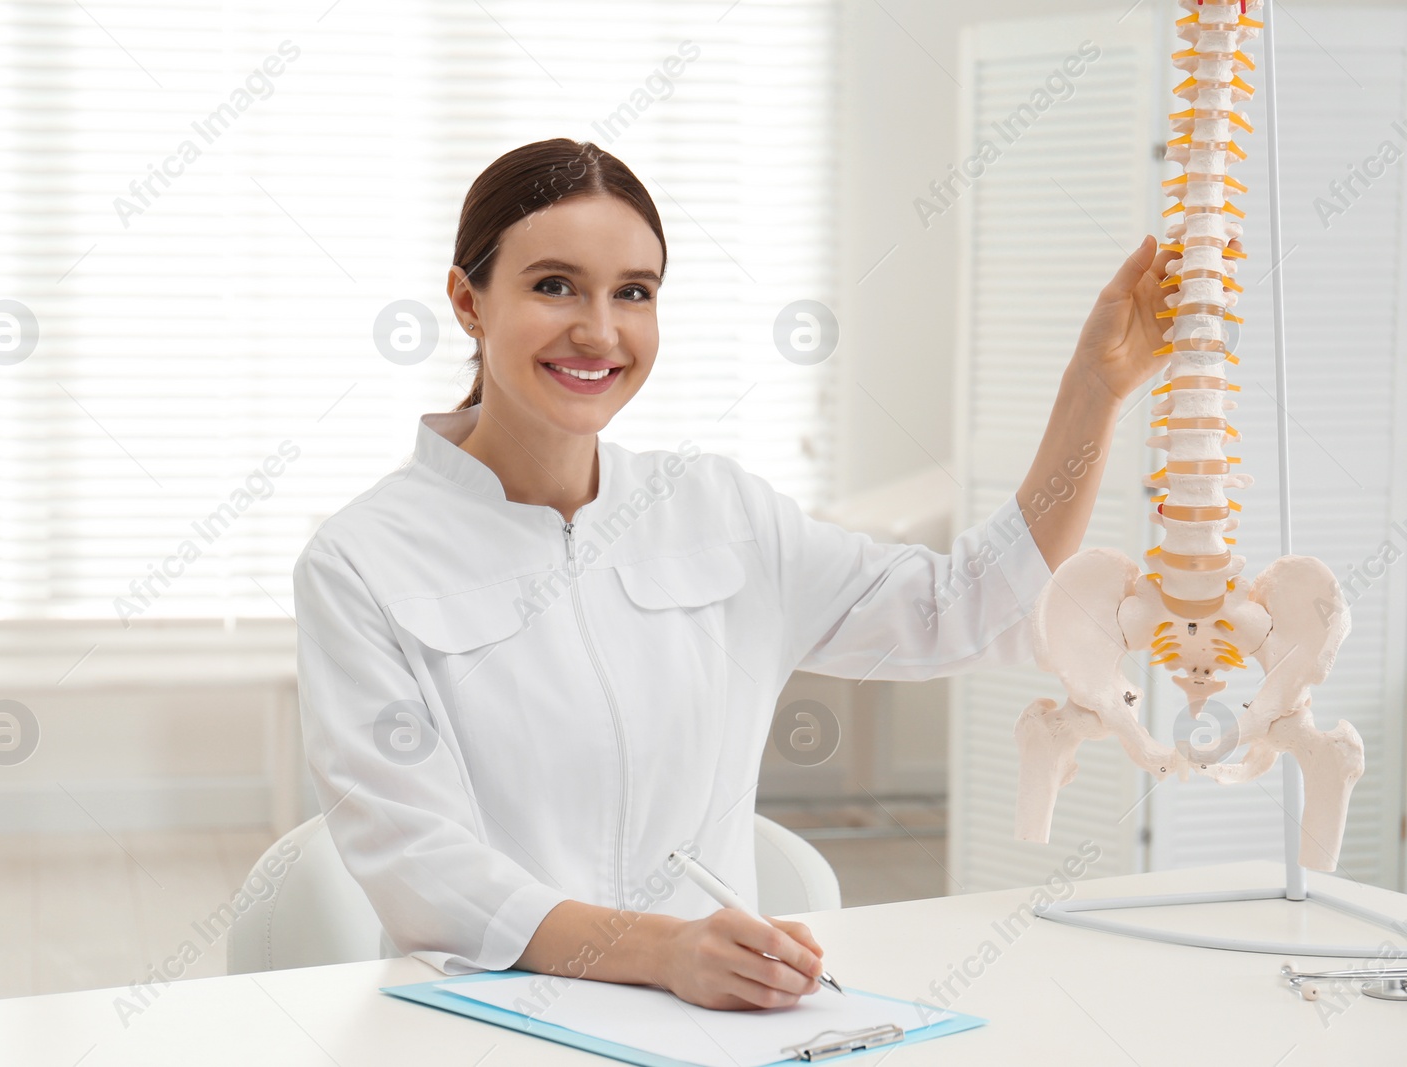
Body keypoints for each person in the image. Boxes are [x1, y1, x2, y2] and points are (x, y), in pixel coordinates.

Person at [294, 137, 1180, 1011]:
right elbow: (422, 865)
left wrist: (1093, 389)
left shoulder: (714, 512)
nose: (599, 330)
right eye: (553, 284)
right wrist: (663, 950)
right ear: (468, 300)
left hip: (713, 1024)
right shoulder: (362, 561)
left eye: (633, 293)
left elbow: (969, 608)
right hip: (489, 1025)